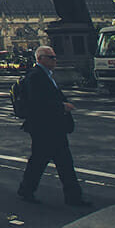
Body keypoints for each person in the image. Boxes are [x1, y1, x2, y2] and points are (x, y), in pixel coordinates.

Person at [17, 45, 91, 207]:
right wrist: (61, 106)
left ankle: (28, 190)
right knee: (53, 161)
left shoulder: (44, 75)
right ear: (40, 58)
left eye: (55, 57)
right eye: (51, 57)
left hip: (50, 126)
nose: (55, 60)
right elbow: (37, 102)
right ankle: (72, 197)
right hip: (45, 126)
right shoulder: (36, 76)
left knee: (48, 161)